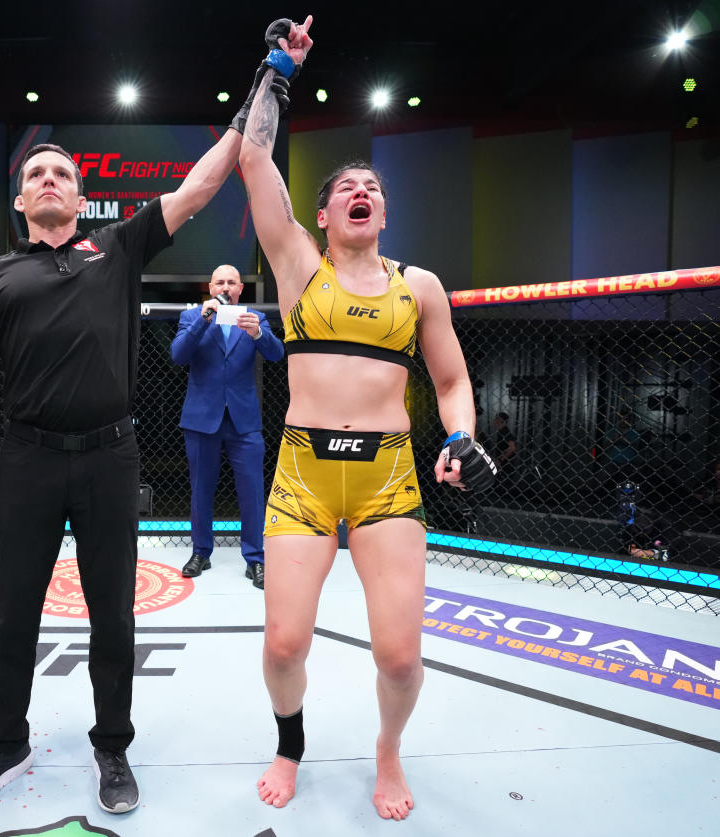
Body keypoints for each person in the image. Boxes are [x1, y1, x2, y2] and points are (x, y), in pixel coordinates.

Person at [0, 76, 270, 811]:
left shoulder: (117, 246)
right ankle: (3, 741)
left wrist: (257, 96)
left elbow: (201, 184)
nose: (48, 179)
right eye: (35, 174)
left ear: (80, 198)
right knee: (12, 609)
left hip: (108, 456)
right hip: (26, 458)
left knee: (113, 610)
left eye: (61, 173)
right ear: (20, 200)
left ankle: (112, 744)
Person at [237, 16, 497, 820]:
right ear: (320, 216)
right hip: (302, 478)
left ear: (382, 214)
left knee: (401, 658)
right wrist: (278, 70)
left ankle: (388, 748)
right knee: (283, 644)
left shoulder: (419, 286)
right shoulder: (297, 269)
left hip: (389, 481)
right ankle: (290, 739)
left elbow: (452, 380)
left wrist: (462, 434)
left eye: (373, 188)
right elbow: (252, 157)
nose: (361, 191)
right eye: (346, 187)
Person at [171, 264, 283, 589]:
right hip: (202, 418)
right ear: (210, 287)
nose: (225, 286)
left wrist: (259, 334)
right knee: (200, 489)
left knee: (251, 491)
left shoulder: (253, 318)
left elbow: (276, 355)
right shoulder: (193, 317)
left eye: (231, 282)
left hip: (243, 420)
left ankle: (256, 559)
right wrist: (205, 319)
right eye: (220, 281)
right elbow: (178, 355)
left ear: (240, 289)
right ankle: (201, 552)